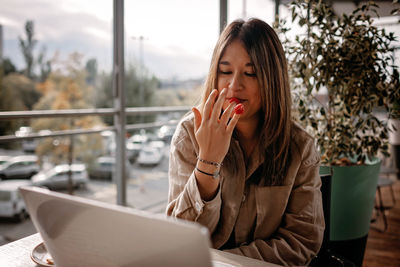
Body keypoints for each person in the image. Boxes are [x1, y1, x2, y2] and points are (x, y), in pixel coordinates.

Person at [166, 18, 324, 266]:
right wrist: (208, 163)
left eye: (250, 73)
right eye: (225, 71)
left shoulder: (300, 148)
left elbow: (302, 241)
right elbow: (179, 238)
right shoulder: (189, 134)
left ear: (272, 79)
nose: (234, 86)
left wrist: (226, 263)